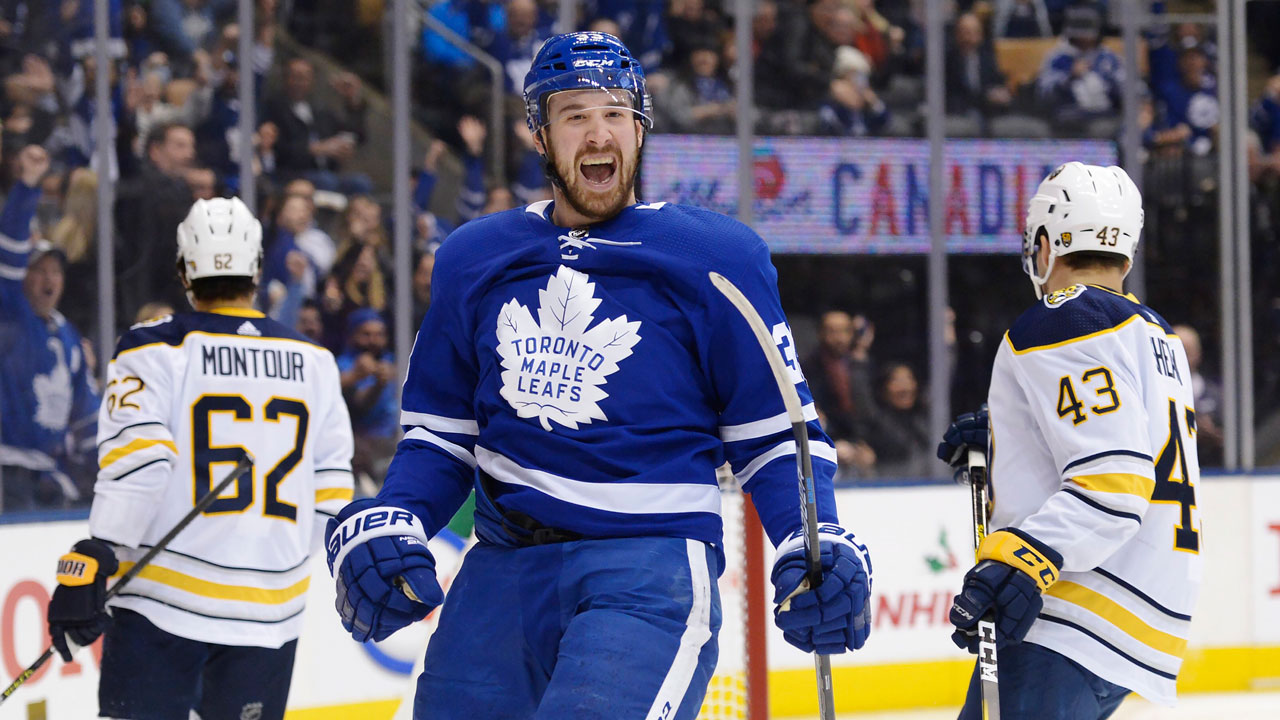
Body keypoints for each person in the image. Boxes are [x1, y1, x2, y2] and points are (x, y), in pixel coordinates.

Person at [323, 31, 873, 718]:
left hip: (649, 573)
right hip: (500, 572)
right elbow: (439, 436)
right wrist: (396, 514)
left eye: (615, 113)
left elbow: (775, 436)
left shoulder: (717, 258)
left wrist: (809, 534)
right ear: (539, 135)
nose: (598, 131)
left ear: (640, 129)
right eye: (574, 114)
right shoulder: (474, 257)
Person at [45, 197, 355, 720]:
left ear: (184, 269)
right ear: (257, 269)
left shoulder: (154, 348)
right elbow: (330, 486)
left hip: (161, 607)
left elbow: (141, 464)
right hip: (269, 612)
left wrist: (100, 549)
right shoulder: (315, 360)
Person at [937, 163, 1201, 719]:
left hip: (1072, 615)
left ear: (1044, 242)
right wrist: (1011, 436)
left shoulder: (1063, 320)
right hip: (1136, 612)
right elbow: (1125, 441)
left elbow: (1115, 482)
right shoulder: (1155, 333)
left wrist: (1025, 560)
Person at [0, 144, 100, 511]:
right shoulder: (10, 314)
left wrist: (111, 477)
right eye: (39, 270)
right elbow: (9, 248)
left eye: (55, 271)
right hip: (5, 472)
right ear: (22, 278)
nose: (49, 279)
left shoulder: (69, 336)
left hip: (48, 478)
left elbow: (86, 413)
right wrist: (27, 186)